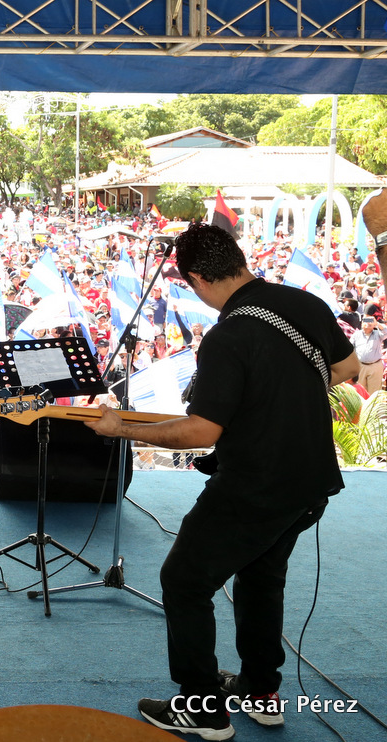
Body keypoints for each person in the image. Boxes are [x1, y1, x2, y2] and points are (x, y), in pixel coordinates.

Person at [84, 223, 359, 740]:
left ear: (196, 279)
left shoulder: (227, 336)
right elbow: (346, 368)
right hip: (311, 481)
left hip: (254, 486)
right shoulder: (305, 304)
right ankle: (261, 691)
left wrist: (120, 429)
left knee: (184, 581)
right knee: (260, 578)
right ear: (238, 258)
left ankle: (203, 709)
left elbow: (201, 431)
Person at [352, 316, 383, 394]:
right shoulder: (356, 334)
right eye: (365, 321)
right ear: (361, 323)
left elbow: (385, 331)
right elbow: (350, 347)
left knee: (374, 392)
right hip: (361, 365)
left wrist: (377, 324)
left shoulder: (378, 334)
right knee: (360, 391)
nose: (368, 323)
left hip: (375, 366)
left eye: (370, 321)